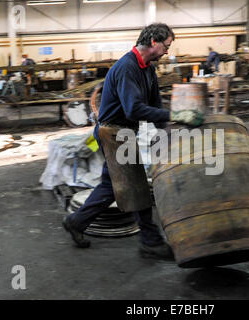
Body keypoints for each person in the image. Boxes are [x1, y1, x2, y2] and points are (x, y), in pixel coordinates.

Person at [62, 23, 204, 260]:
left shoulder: (147, 68)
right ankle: (150, 241)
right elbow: (134, 109)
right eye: (166, 46)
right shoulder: (127, 67)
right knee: (135, 186)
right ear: (153, 42)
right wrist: (175, 115)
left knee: (113, 186)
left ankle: (76, 221)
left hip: (123, 132)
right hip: (114, 133)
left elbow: (154, 102)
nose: (168, 51)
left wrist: (168, 131)